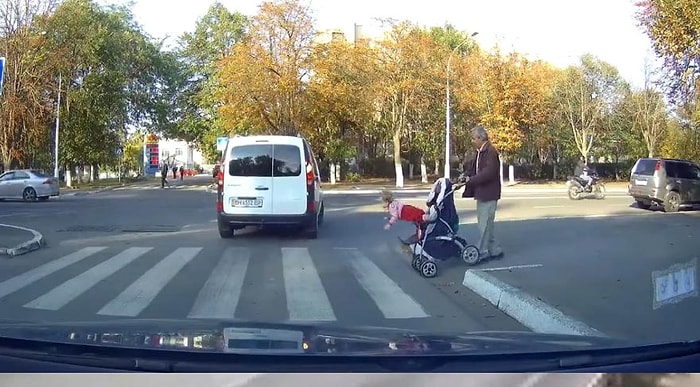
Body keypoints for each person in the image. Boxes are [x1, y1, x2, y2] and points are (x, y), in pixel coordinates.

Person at [461, 125, 504, 260]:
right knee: (486, 223)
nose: (472, 141)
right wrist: (465, 176)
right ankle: (495, 249)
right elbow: (475, 169)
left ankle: (483, 251)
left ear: (480, 138)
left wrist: (471, 180)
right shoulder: (480, 152)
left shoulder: (491, 152)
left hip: (489, 193)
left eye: (473, 139)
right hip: (482, 193)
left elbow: (488, 173)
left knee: (484, 224)